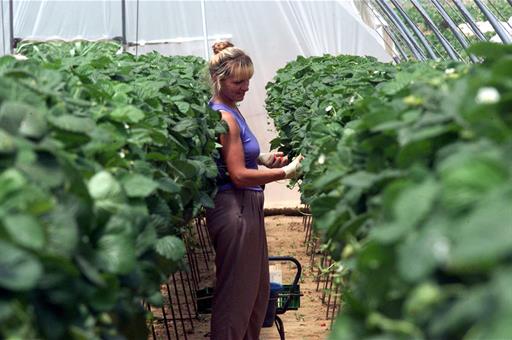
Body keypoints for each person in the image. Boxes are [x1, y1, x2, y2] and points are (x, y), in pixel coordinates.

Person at [205, 41, 303, 340]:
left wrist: (260, 159)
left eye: (248, 80)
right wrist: (283, 172)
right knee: (237, 295)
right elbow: (236, 175)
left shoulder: (231, 109)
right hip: (234, 209)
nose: (245, 87)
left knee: (256, 292)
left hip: (245, 206)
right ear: (218, 80)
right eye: (238, 82)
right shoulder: (224, 117)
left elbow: (234, 155)